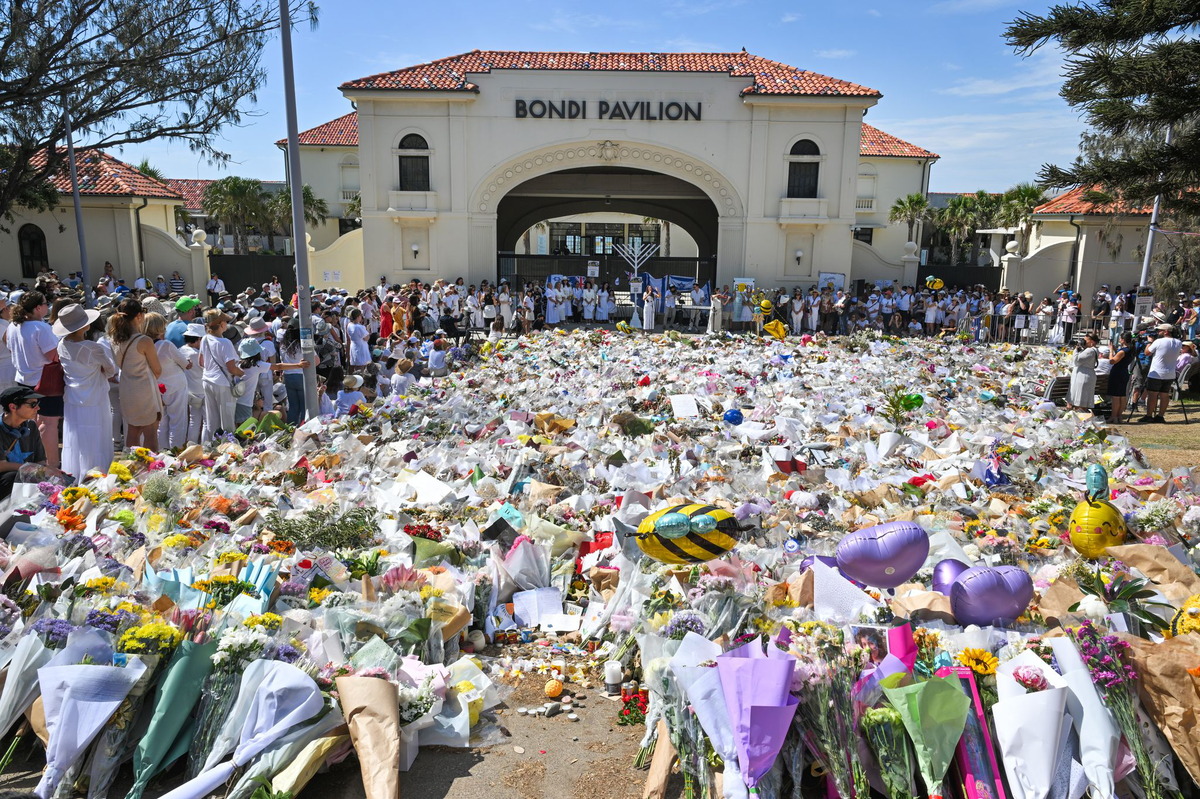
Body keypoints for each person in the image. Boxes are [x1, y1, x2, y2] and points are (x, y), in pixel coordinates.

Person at [54, 304, 114, 479]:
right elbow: (110, 370)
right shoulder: (92, 347)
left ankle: (77, 474)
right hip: (94, 396)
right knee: (96, 437)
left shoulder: (62, 344)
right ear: (84, 326)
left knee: (77, 438)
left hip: (73, 397)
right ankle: (96, 476)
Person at [6, 291, 62, 468]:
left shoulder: (13, 326)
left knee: (34, 423)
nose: (47, 307)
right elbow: (54, 356)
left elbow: (11, 349)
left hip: (24, 380)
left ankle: (38, 464)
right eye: (45, 304)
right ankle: (51, 466)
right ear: (38, 308)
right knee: (48, 423)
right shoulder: (40, 328)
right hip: (44, 382)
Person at [109, 299, 163, 450]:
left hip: (126, 388)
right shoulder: (144, 340)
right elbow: (157, 370)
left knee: (132, 431)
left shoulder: (114, 340)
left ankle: (132, 462)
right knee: (150, 433)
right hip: (145, 388)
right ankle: (150, 464)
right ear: (139, 315)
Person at [0, 386, 60, 499]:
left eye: (37, 403)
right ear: (13, 407)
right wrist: (32, 468)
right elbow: (1, 465)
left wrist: (52, 472)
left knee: (57, 479)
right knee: (12, 477)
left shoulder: (31, 426)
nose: (38, 407)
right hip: (6, 481)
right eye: (32, 404)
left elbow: (40, 461)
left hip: (24, 477)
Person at [143, 313, 192, 449]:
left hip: (157, 388)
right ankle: (176, 453)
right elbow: (185, 364)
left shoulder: (143, 346)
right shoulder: (166, 345)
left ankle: (163, 452)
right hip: (176, 386)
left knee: (162, 425)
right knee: (178, 423)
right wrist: (188, 362)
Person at [199, 309, 243, 441]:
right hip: (222, 383)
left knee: (212, 419)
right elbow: (231, 368)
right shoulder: (226, 343)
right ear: (222, 324)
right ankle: (229, 446)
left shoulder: (205, 339)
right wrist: (242, 373)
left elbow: (201, 362)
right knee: (227, 419)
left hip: (207, 380)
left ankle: (213, 445)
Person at [1140, 324, 1182, 424]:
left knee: (1152, 394)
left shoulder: (1158, 342)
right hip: (1170, 373)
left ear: (1166, 331)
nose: (1158, 332)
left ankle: (1149, 415)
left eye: (1159, 331)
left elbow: (1147, 353)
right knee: (1164, 395)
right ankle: (1160, 416)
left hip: (1156, 373)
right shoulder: (1178, 342)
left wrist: (1149, 342)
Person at [180, 323, 205, 443]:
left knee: (193, 421)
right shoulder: (196, 354)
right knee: (206, 421)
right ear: (198, 339)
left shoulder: (180, 350)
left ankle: (191, 445)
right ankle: (205, 444)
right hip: (202, 391)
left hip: (190, 391)